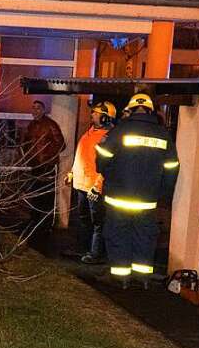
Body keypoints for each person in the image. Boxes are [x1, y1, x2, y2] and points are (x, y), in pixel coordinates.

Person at [95, 92, 179, 286]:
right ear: (151, 111)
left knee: (118, 234)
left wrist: (112, 176)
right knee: (145, 236)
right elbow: (172, 168)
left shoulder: (118, 132)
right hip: (147, 199)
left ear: (130, 110)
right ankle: (143, 278)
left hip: (118, 197)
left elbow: (101, 163)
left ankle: (120, 277)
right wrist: (163, 195)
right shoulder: (163, 135)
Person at [64, 101, 116, 263]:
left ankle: (95, 254)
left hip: (94, 187)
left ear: (105, 117)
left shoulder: (109, 137)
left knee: (97, 222)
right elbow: (82, 154)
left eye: (96, 112)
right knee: (83, 219)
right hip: (82, 184)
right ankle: (83, 249)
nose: (92, 114)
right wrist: (72, 173)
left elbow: (108, 166)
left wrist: (97, 186)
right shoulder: (90, 132)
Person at [24, 100, 65, 232]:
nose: (35, 111)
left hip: (47, 167)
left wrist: (48, 158)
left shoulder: (50, 125)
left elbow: (61, 144)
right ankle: (34, 221)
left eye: (38, 108)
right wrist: (27, 157)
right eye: (33, 108)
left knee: (47, 196)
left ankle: (46, 225)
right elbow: (27, 143)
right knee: (35, 195)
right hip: (34, 166)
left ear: (43, 110)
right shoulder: (31, 125)